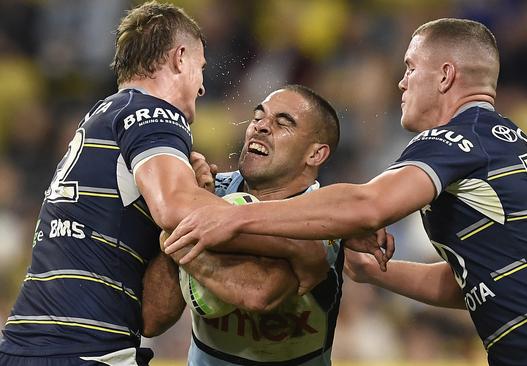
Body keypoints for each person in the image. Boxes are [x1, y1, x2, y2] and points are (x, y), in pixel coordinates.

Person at [165, 18, 527, 365]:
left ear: (444, 76)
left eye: (411, 67)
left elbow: (367, 204)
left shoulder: (458, 138)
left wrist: (232, 218)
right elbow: (473, 283)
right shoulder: (499, 139)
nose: (401, 81)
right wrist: (379, 274)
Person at [0, 2, 388, 365]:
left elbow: (256, 286)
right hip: (83, 348)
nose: (202, 87)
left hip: (42, 340)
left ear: (316, 154)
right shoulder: (154, 114)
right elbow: (175, 216)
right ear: (179, 59)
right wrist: (296, 242)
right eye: (201, 68)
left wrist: (189, 231)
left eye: (283, 122)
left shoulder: (111, 111)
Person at [145, 85, 361, 365]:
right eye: (258, 118)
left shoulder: (327, 215)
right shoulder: (208, 193)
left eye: (283, 123)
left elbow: (260, 293)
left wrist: (177, 237)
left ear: (315, 154)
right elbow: (152, 319)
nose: (261, 127)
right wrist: (186, 217)